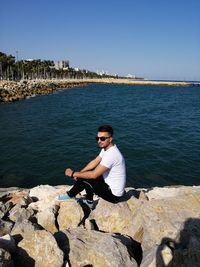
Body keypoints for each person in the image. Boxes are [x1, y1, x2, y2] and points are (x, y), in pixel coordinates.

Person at [55, 125, 126, 209]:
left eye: (102, 138)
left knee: (88, 177)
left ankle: (71, 195)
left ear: (110, 139)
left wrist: (73, 173)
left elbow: (94, 175)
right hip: (109, 185)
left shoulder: (112, 154)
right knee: (85, 174)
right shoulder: (106, 149)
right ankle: (89, 201)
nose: (99, 141)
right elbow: (95, 161)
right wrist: (80, 173)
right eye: (98, 138)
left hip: (113, 195)